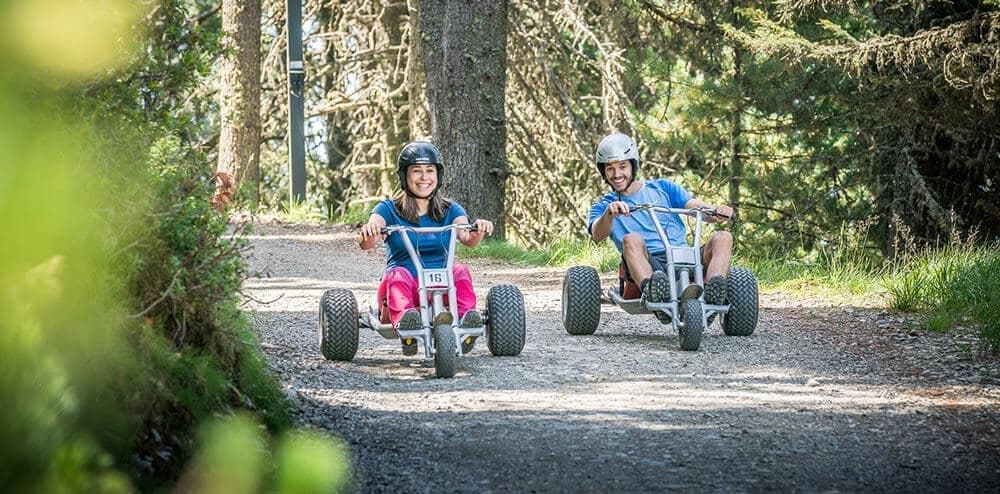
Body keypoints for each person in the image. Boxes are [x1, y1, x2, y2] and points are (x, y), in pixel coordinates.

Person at [359, 141, 494, 354]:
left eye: (430, 171)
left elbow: (466, 237)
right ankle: (407, 323)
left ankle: (467, 321)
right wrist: (372, 229)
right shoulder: (388, 209)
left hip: (442, 286)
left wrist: (479, 230)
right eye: (417, 171)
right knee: (397, 275)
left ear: (437, 176)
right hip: (404, 289)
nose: (424, 177)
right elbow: (367, 243)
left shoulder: (450, 209)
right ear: (405, 176)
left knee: (459, 270)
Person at [587, 132, 734, 305]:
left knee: (723, 237)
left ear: (633, 166)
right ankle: (654, 292)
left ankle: (713, 290)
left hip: (685, 258)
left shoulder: (663, 188)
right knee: (631, 239)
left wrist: (717, 211)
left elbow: (697, 207)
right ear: (603, 172)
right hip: (650, 263)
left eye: (622, 166)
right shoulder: (604, 206)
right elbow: (597, 235)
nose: (617, 174)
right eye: (610, 168)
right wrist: (609, 214)